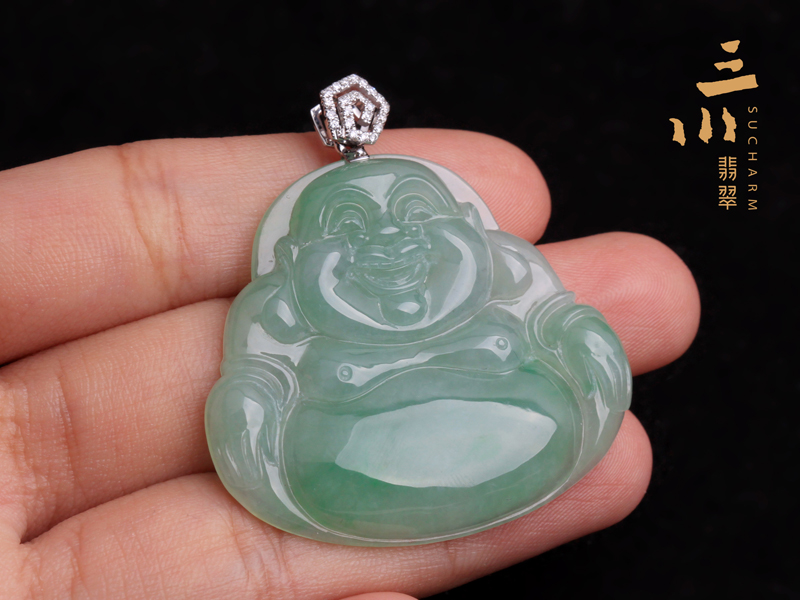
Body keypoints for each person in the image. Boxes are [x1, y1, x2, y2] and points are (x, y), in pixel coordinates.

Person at [0, 129, 700, 599]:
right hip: (345, 469)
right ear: (296, 259)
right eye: (350, 228)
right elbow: (255, 386)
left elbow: (557, 317)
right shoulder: (276, 312)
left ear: (467, 229)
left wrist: (582, 343)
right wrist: (249, 419)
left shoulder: (507, 270)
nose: (389, 242)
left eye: (416, 217)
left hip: (532, 435)